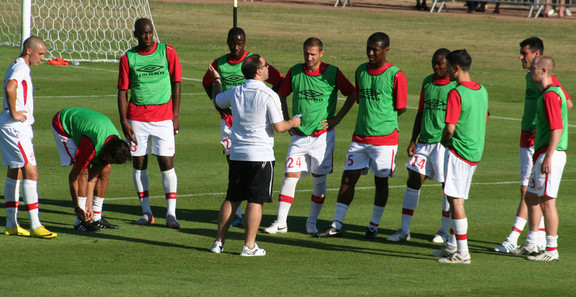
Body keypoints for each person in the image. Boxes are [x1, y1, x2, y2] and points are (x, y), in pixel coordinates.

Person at [316, 32, 407, 239]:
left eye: (375, 49)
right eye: (368, 48)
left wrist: (382, 121)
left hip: (384, 140)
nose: (371, 52)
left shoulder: (396, 75)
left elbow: (400, 108)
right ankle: (337, 224)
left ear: (386, 50)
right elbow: (358, 97)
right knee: (347, 179)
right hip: (359, 137)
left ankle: (373, 226)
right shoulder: (360, 71)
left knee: (381, 182)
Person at [208, 55, 301, 256]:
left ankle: (218, 242)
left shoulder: (235, 91)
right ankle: (249, 246)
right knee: (255, 201)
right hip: (261, 156)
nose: (269, 68)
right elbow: (279, 127)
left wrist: (217, 80)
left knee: (232, 198)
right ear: (259, 71)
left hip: (238, 154)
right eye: (266, 65)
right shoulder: (269, 95)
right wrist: (293, 122)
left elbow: (218, 101)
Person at [264, 37, 356, 235]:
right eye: (306, 53)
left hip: (322, 138)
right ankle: (281, 222)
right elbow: (281, 93)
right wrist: (287, 119)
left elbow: (352, 93)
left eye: (313, 54)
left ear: (321, 54)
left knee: (319, 181)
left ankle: (311, 222)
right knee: (290, 176)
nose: (309, 57)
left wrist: (337, 118)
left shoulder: (332, 73)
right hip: (298, 136)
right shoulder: (295, 71)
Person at [494, 37, 572, 253]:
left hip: (540, 144)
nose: (521, 57)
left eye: (524, 53)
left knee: (535, 194)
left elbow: (566, 104)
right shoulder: (532, 79)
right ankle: (532, 241)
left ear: (537, 57)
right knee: (531, 193)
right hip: (528, 138)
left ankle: (522, 240)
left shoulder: (548, 84)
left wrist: (545, 129)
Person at [202, 27, 284, 228]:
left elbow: (280, 81)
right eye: (232, 43)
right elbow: (207, 83)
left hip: (251, 121)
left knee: (244, 166)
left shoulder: (253, 62)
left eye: (240, 43)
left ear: (245, 43)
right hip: (229, 122)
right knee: (234, 163)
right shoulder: (218, 63)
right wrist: (218, 106)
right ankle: (238, 214)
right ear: (227, 42)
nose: (236, 47)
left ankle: (241, 212)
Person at [118, 18, 182, 228]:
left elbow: (176, 84)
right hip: (137, 119)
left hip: (164, 118)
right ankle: (147, 212)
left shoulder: (168, 52)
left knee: (166, 163)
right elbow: (122, 92)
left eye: (150, 32)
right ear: (135, 34)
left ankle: (171, 214)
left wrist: (175, 115)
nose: (148, 36)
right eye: (143, 33)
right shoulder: (129, 58)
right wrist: (124, 121)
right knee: (139, 164)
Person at [386, 48, 456, 243]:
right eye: (433, 62)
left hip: (444, 144)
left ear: (448, 65)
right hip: (424, 143)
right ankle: (404, 230)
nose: (435, 66)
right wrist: (413, 139)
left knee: (447, 187)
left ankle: (444, 231)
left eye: (440, 63)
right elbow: (420, 112)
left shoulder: (455, 86)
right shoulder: (427, 82)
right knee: (413, 180)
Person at [433, 49, 488, 264]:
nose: (445, 71)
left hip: (459, 152)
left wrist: (443, 141)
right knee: (455, 198)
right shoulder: (482, 90)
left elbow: (449, 127)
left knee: (456, 202)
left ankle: (463, 253)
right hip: (474, 152)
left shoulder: (456, 93)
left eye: (448, 67)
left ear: (456, 68)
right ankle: (452, 245)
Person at [0, 36, 57, 239]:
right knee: (31, 172)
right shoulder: (21, 67)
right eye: (41, 53)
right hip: (16, 127)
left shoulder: (17, 64)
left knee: (15, 171)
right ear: (29, 51)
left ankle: (11, 224)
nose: (43, 58)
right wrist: (15, 112)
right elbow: (9, 88)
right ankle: (35, 225)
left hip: (10, 126)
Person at [516, 56, 567, 261]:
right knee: (531, 196)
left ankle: (551, 250)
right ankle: (531, 243)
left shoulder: (550, 96)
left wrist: (548, 157)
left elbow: (557, 128)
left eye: (534, 68)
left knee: (547, 201)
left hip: (549, 154)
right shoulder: (545, 93)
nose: (530, 70)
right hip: (543, 153)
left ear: (544, 71)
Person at [52, 108, 132, 231]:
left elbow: (93, 178)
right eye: (112, 160)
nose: (111, 162)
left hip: (92, 129)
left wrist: (89, 206)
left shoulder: (115, 142)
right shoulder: (90, 146)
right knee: (83, 172)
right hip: (63, 125)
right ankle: (79, 222)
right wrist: (78, 209)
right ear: (108, 154)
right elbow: (73, 177)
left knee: (106, 168)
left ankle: (96, 217)